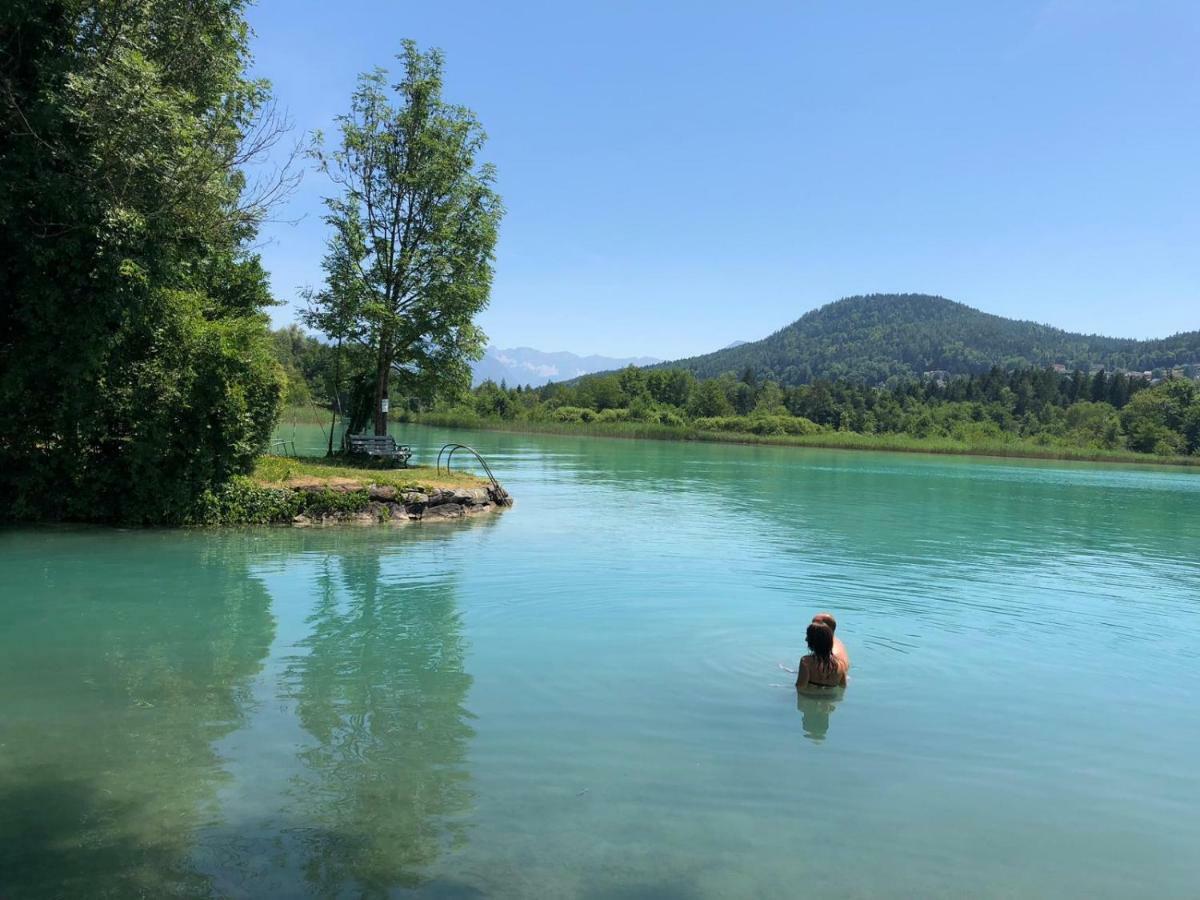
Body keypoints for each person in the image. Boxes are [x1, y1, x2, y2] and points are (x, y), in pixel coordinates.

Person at [795, 621, 848, 690]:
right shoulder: (840, 664)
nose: (806, 639)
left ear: (814, 641)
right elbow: (843, 686)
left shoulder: (806, 662)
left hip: (810, 697)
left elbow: (800, 687)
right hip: (832, 698)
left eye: (808, 636)